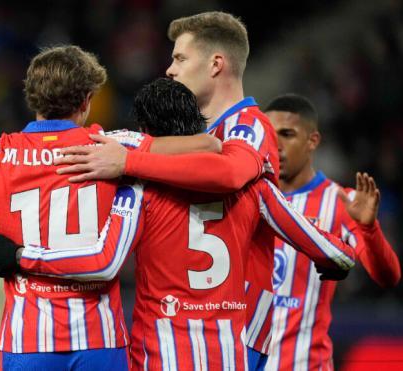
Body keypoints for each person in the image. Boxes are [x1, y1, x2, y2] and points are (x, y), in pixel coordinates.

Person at [0, 46, 219, 371]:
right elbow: (207, 146)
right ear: (86, 101)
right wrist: (130, 159)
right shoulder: (111, 146)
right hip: (100, 339)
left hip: (27, 341)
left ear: (31, 97)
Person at [0, 78, 360, 371]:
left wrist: (21, 256)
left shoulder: (137, 188)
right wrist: (335, 261)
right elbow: (334, 253)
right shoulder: (253, 185)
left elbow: (101, 261)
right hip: (226, 353)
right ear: (199, 124)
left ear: (146, 133)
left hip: (158, 352)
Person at [53, 12, 280, 369]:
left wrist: (128, 162)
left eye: (180, 58)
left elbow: (231, 172)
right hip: (187, 319)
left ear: (216, 64)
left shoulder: (248, 125)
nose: (170, 70)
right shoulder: (197, 134)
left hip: (238, 320)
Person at [263, 94, 401, 371]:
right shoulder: (252, 197)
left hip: (304, 364)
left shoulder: (340, 201)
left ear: (313, 141)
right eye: (269, 134)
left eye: (287, 134)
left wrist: (368, 228)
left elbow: (388, 277)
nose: (275, 144)